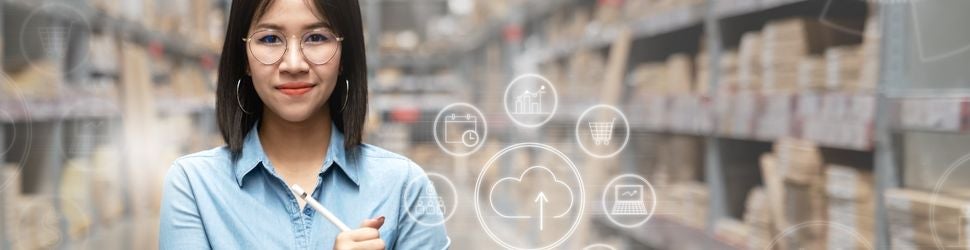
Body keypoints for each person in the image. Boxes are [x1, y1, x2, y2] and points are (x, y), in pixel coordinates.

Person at [158, 0, 449, 249]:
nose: (294, 64)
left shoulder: (403, 187)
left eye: (317, 38)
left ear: (344, 54)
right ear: (244, 56)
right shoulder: (195, 187)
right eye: (270, 39)